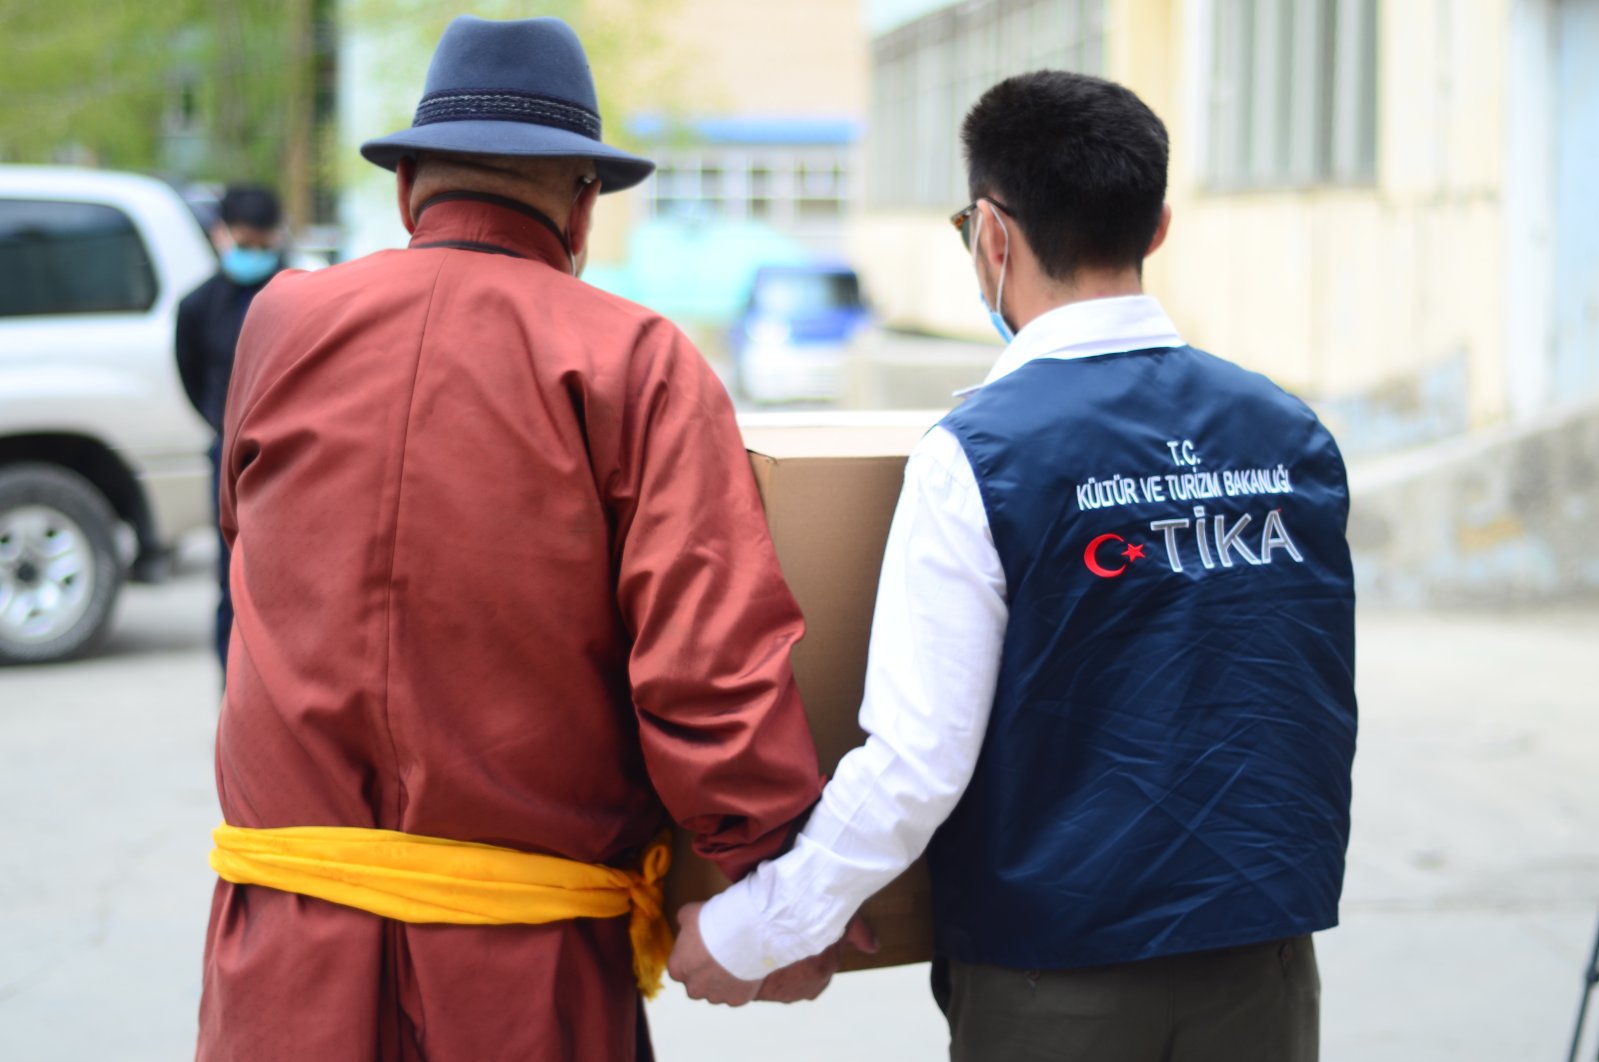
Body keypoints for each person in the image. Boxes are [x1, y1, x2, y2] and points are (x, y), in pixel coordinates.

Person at [670, 70, 1358, 1062]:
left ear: (993, 236)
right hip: (1265, 967)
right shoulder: (1291, 435)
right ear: (1157, 226)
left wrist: (756, 929)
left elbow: (916, 764)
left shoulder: (982, 456)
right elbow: (1296, 702)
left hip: (1058, 980)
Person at [196, 17, 839, 1061]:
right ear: (582, 206)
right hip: (520, 977)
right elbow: (709, 675)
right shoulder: (637, 360)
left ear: (408, 188)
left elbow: (246, 553)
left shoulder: (282, 324)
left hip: (279, 964)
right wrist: (782, 887)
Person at [175, 184, 285, 672]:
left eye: (264, 245)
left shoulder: (297, 293)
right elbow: (191, 373)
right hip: (229, 454)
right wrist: (224, 426)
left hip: (291, 450)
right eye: (245, 244)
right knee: (230, 578)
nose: (255, 255)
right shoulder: (198, 306)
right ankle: (231, 693)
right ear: (222, 236)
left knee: (287, 575)